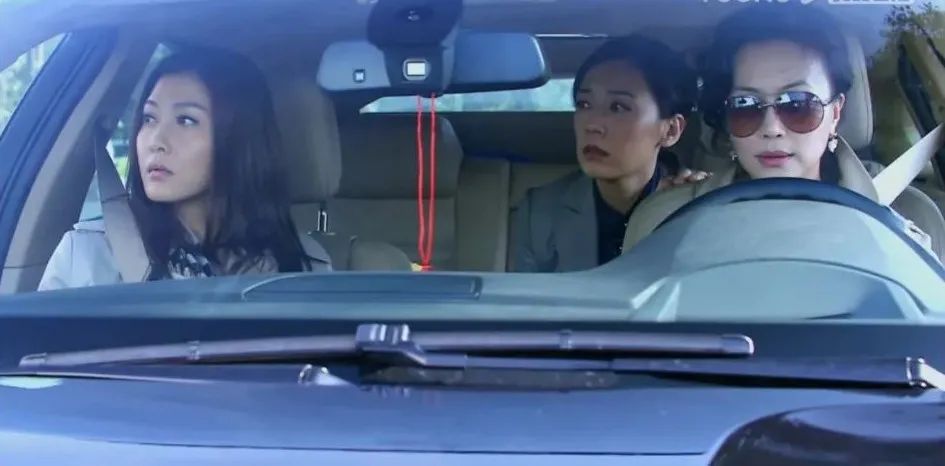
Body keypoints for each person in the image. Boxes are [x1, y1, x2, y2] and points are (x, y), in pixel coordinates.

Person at [622, 5, 935, 254]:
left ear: (836, 112)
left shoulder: (911, 217)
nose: (771, 129)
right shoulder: (668, 221)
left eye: (797, 104)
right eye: (745, 105)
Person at [38, 48, 330, 290]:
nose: (156, 141)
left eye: (186, 120)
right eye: (149, 118)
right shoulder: (84, 256)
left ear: (239, 139)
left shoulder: (304, 268)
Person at [509, 35, 706, 273]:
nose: (592, 124)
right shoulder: (541, 212)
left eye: (618, 107)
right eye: (584, 104)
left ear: (671, 130)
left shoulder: (698, 207)